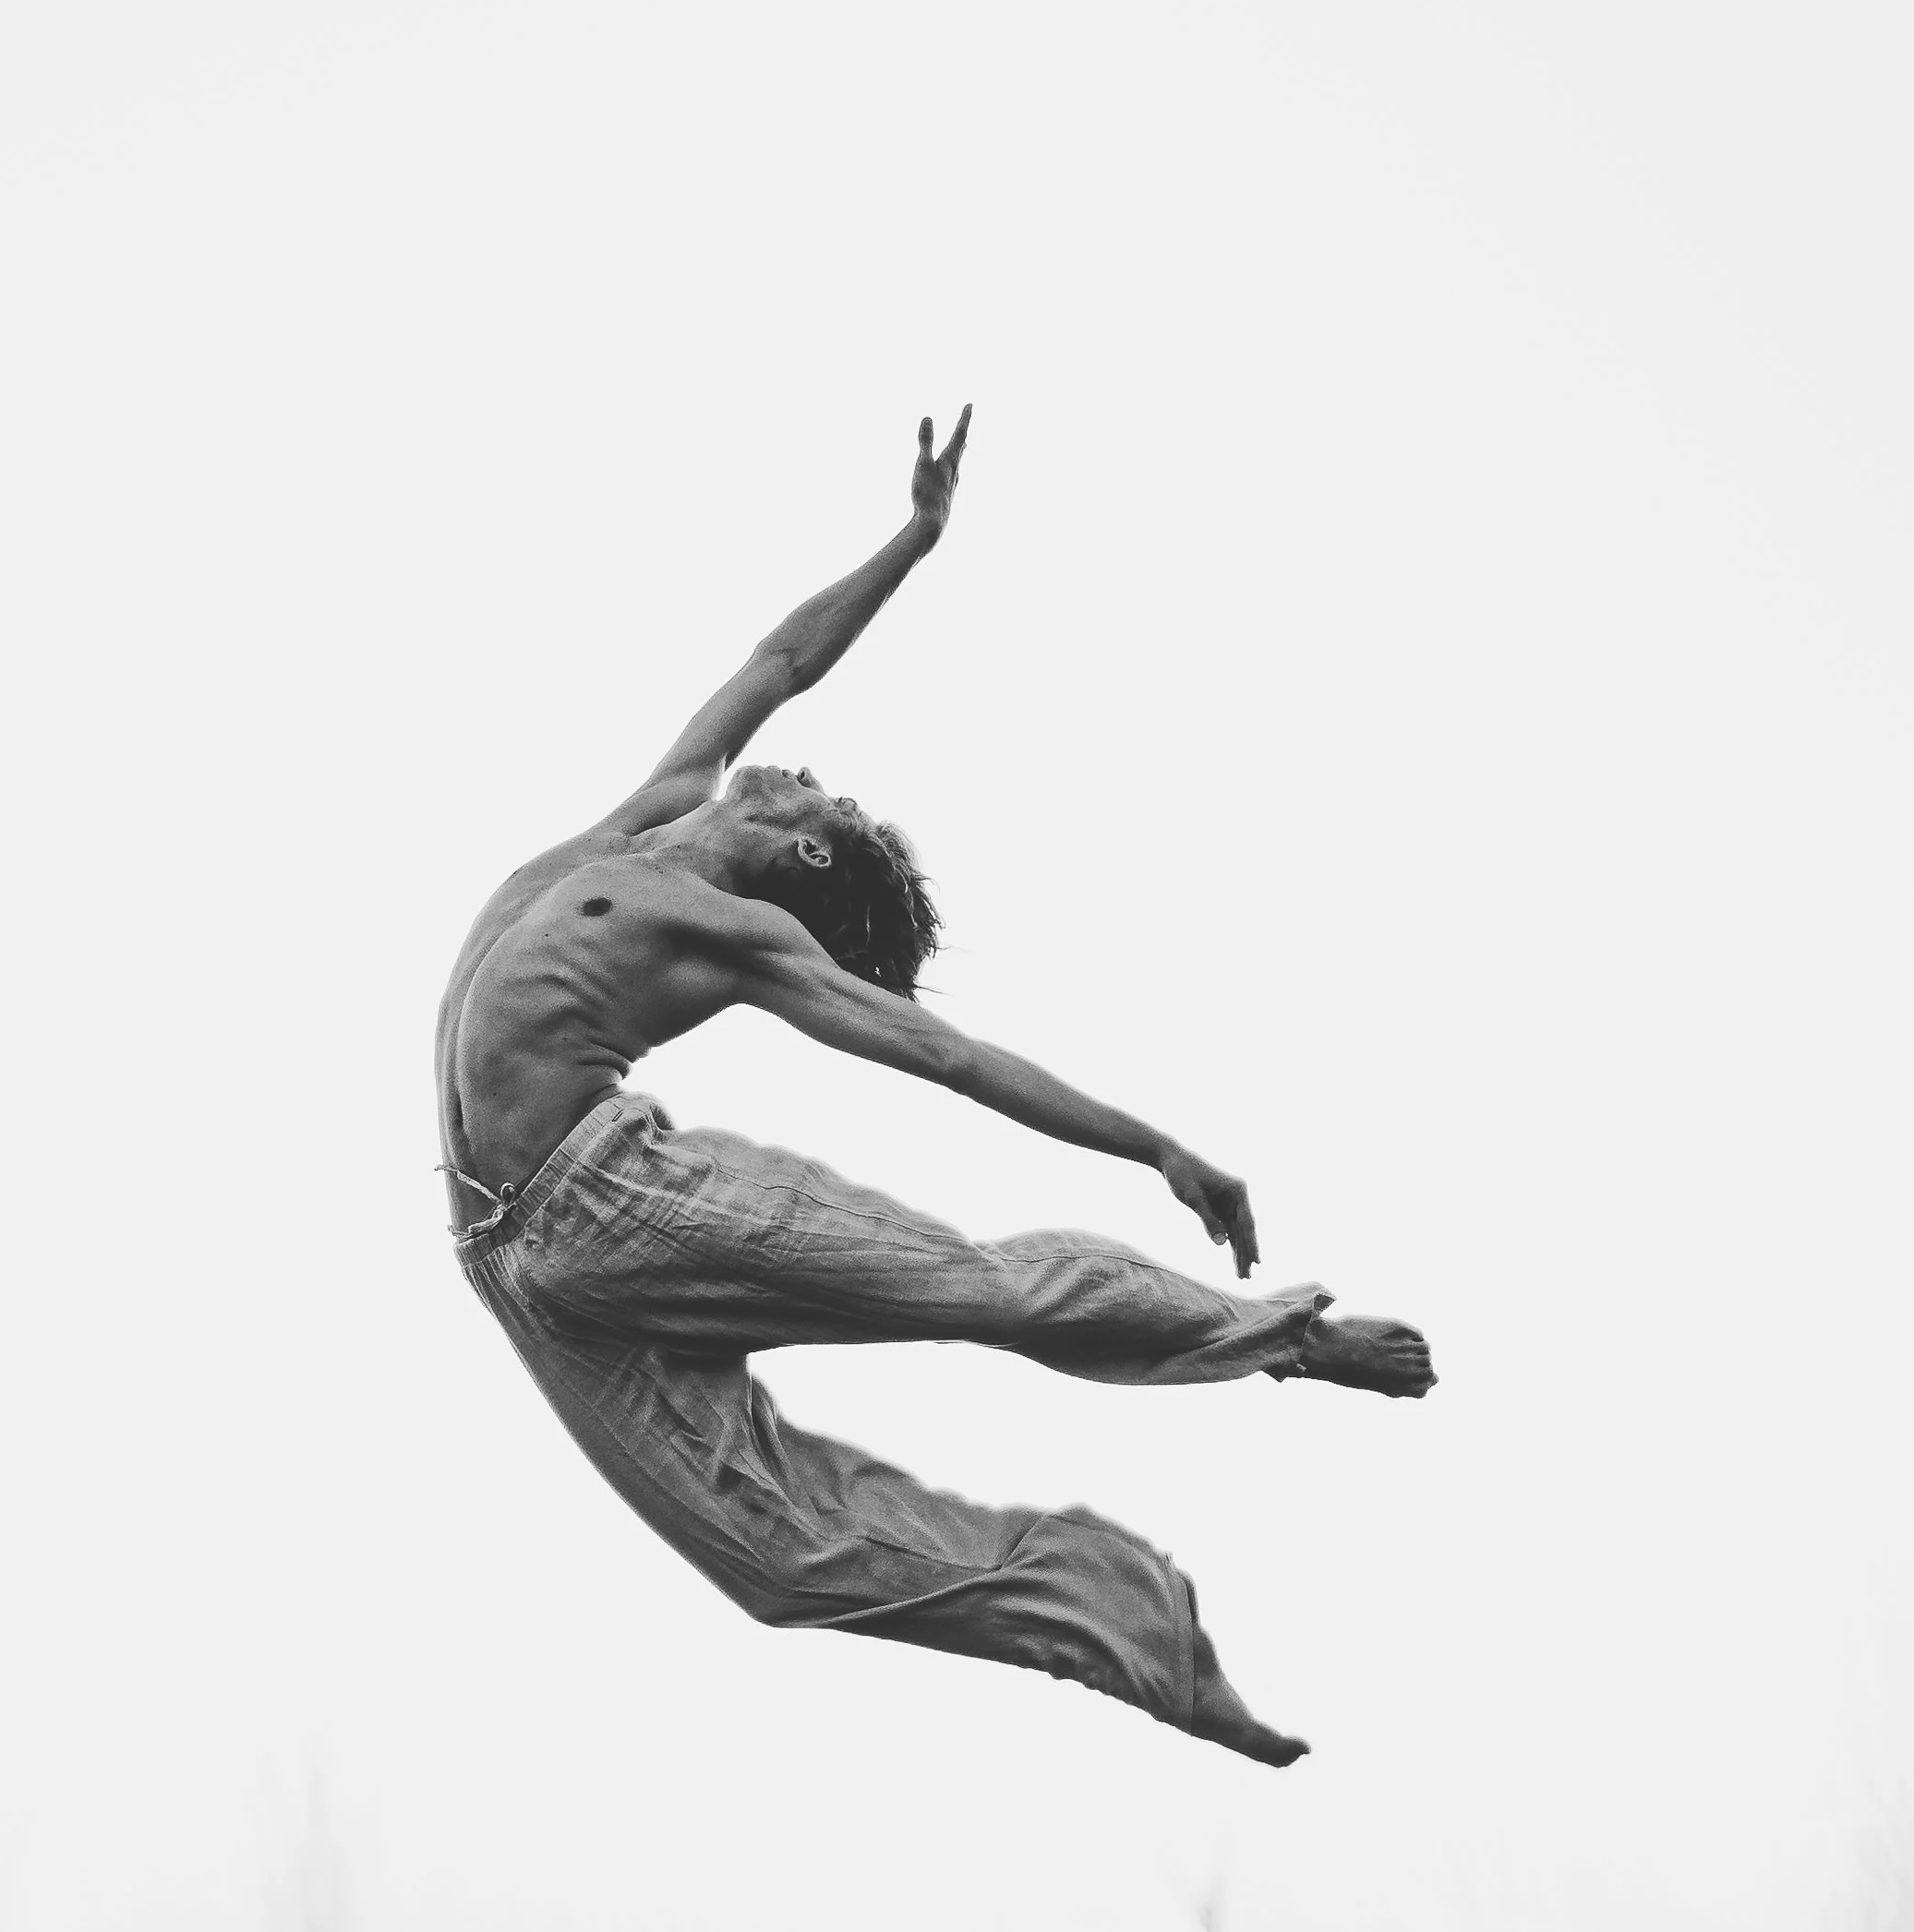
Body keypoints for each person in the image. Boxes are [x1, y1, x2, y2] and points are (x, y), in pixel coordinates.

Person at [437, 411, 1433, 1768]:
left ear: (797, 852)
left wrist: (1153, 1149)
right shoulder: (656, 807)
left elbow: (948, 1060)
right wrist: (912, 536)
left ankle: (1289, 1337)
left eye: (820, 800)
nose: (800, 767)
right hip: (506, 1255)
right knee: (775, 1565)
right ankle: (1134, 1635)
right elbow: (781, 659)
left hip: (614, 1200)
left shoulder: (739, 933)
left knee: (978, 1286)